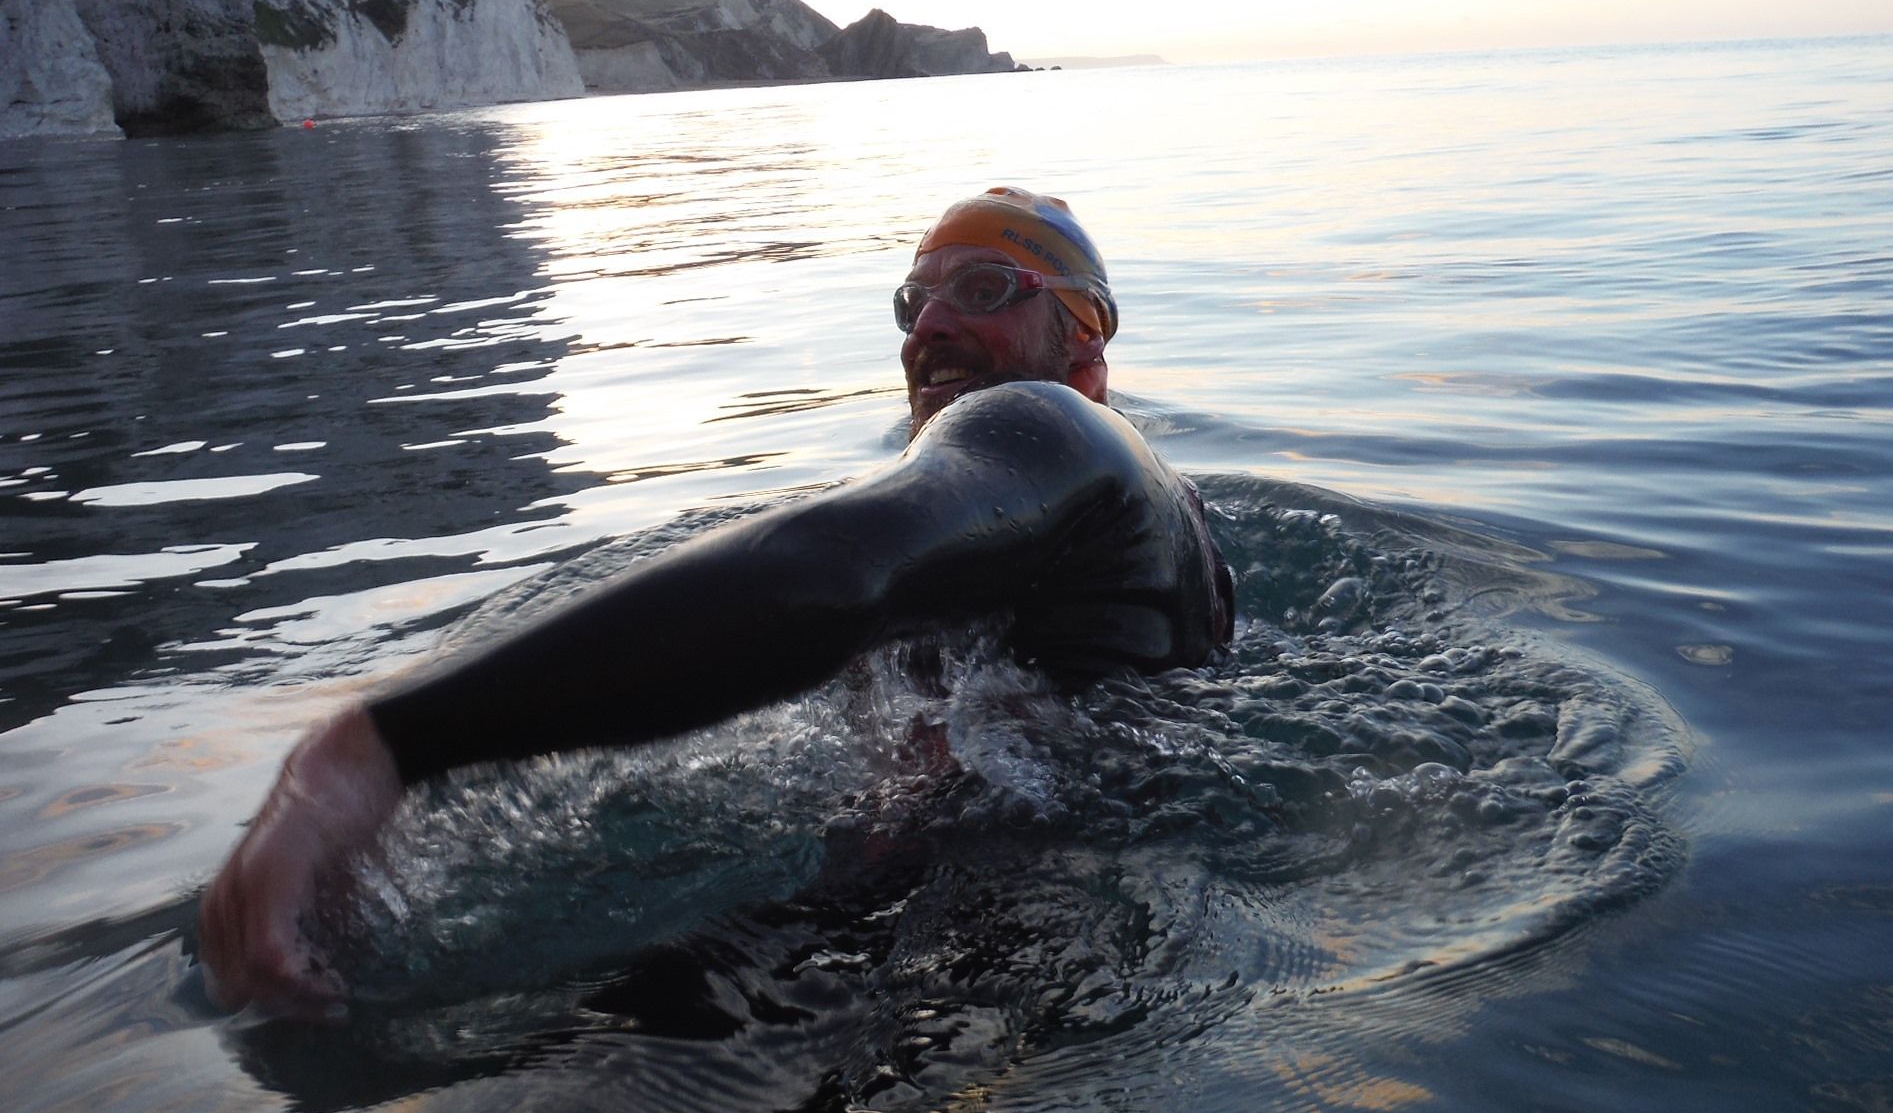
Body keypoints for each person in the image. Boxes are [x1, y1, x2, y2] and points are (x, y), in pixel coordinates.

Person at [199, 186, 1235, 1019]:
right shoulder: (1134, 525)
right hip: (1004, 944)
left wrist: (368, 755)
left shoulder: (1051, 427)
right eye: (911, 301)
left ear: (1085, 356)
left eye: (982, 287)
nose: (931, 325)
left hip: (981, 928)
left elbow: (819, 578)